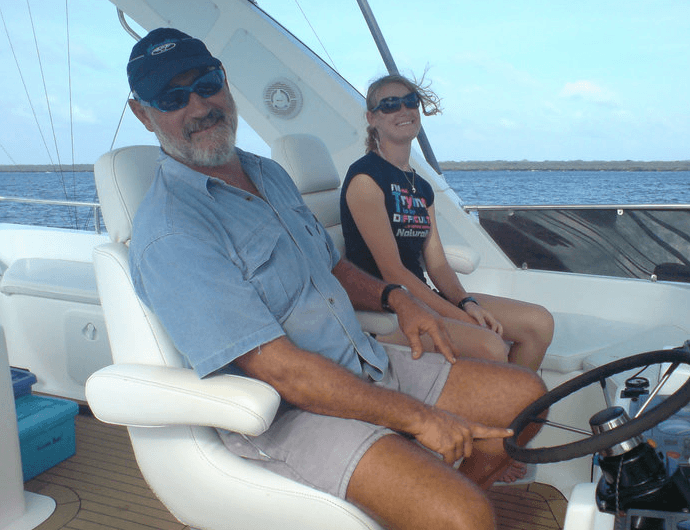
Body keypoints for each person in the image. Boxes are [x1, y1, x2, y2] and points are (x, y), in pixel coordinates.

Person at [125, 28, 547, 530]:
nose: (199, 106)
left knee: (528, 399)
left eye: (206, 84)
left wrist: (396, 299)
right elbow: (281, 371)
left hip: (362, 361)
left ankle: (425, 502)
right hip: (289, 413)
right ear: (142, 114)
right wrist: (417, 418)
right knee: (466, 518)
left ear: (225, 81)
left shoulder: (268, 174)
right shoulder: (173, 232)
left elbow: (330, 265)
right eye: (172, 98)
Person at [340, 74, 554, 373]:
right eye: (389, 105)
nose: (403, 110)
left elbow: (438, 265)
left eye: (410, 101)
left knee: (539, 324)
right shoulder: (366, 179)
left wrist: (466, 303)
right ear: (372, 118)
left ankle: (516, 401)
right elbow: (393, 272)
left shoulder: (421, 186)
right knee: (491, 345)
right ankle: (501, 397)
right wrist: (463, 320)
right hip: (387, 311)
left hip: (422, 296)